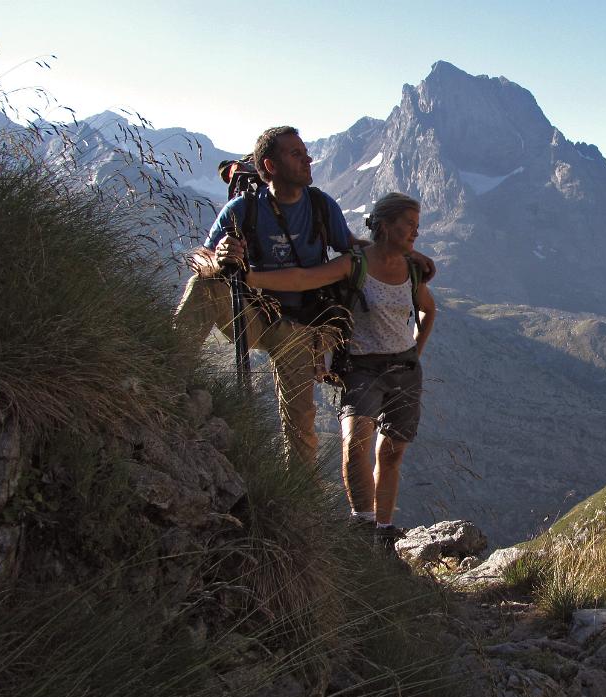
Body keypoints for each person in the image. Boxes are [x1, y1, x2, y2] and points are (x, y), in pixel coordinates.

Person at [175, 126, 434, 468]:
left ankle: (299, 504)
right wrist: (218, 257)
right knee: (204, 286)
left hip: (300, 327)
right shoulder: (242, 211)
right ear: (270, 165)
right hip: (253, 314)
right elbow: (199, 258)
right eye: (296, 154)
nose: (307, 159)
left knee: (299, 424)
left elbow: (351, 246)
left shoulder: (320, 206)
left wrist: (398, 252)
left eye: (306, 153)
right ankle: (170, 374)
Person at [247, 193, 435, 550]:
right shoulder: (355, 264)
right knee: (355, 442)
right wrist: (251, 277)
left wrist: (416, 352)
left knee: (391, 453)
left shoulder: (411, 270)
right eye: (409, 223)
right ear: (384, 225)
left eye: (416, 224)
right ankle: (362, 527)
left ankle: (383, 532)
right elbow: (305, 278)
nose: (415, 231)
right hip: (361, 366)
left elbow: (427, 310)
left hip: (405, 369)